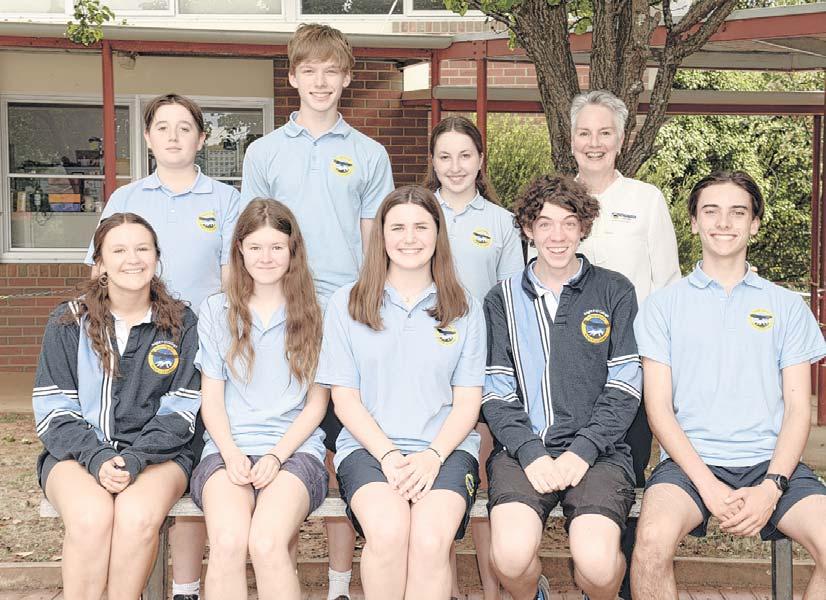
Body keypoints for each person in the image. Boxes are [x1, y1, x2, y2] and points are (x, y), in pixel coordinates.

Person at [240, 23, 394, 600]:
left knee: (339, 447)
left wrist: (368, 314)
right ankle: (275, 565)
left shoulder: (369, 154)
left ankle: (337, 583)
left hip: (346, 319)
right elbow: (251, 236)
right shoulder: (264, 152)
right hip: (282, 314)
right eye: (309, 70)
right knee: (295, 440)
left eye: (332, 70)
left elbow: (375, 244)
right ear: (293, 77)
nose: (321, 81)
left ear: (347, 78)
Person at [631, 171, 826, 599]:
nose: (723, 222)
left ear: (754, 224)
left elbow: (798, 410)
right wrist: (708, 486)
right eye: (711, 211)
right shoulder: (662, 306)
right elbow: (658, 409)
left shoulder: (787, 307)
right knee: (650, 545)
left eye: (738, 212)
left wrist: (772, 486)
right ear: (694, 222)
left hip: (771, 463)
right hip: (689, 464)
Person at [84, 93, 240, 600]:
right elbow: (101, 274)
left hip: (201, 349)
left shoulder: (226, 200)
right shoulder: (125, 199)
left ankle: (186, 587)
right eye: (163, 127)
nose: (174, 136)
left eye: (185, 127)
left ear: (202, 137)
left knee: (187, 460)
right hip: (137, 352)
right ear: (148, 138)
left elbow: (232, 282)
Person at [316, 185, 485, 599]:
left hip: (445, 449)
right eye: (398, 228)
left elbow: (467, 402)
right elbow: (344, 398)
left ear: (438, 233)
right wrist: (389, 456)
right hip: (369, 450)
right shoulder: (347, 303)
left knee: (430, 541)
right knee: (389, 533)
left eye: (421, 227)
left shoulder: (464, 306)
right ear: (381, 235)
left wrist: (432, 456)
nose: (410, 238)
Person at [483, 175, 641, 600]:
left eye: (569, 223)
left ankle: (595, 591)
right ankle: (536, 592)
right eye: (545, 223)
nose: (557, 236)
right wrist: (530, 451)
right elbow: (496, 390)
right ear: (528, 229)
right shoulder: (501, 299)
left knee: (597, 565)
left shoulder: (614, 290)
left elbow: (625, 386)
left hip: (599, 453)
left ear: (583, 227)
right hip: (523, 452)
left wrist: (583, 449)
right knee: (510, 558)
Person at [34, 212, 200, 599]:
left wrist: (135, 458)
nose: (133, 259)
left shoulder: (181, 323)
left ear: (156, 257)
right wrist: (97, 457)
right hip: (76, 455)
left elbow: (182, 410)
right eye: (119, 250)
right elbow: (54, 409)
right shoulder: (68, 321)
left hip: (160, 457)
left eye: (143, 249)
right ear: (100, 263)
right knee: (90, 518)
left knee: (137, 516)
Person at [570, 90, 681, 598]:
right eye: (584, 132)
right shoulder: (555, 200)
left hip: (631, 374)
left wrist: (660, 368)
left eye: (604, 133)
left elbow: (667, 287)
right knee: (580, 489)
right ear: (571, 138)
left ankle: (629, 588)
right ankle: (595, 581)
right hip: (569, 375)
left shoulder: (646, 200)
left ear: (621, 139)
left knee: (628, 484)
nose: (594, 143)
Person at [191, 200, 328, 599]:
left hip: (295, 450)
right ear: (239, 249)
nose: (266, 257)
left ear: (292, 250)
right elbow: (212, 399)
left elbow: (316, 405)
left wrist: (276, 456)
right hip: (226, 450)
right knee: (229, 542)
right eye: (255, 247)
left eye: (276, 247)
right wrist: (231, 453)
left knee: (267, 542)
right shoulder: (216, 310)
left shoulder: (318, 311)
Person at [424, 115, 524, 600]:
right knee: (436, 485)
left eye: (465, 155)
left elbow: (511, 300)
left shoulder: (501, 222)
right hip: (427, 368)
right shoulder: (418, 213)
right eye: (445, 156)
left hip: (483, 366)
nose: (455, 166)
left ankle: (490, 590)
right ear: (432, 161)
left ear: (481, 160)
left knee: (481, 481)